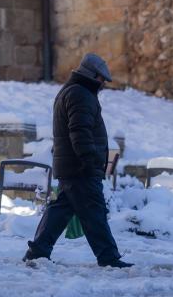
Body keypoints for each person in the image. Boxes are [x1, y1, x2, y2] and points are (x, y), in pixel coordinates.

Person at [24, 53, 133, 268]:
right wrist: (90, 159)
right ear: (92, 75)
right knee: (94, 212)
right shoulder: (80, 95)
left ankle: (37, 251)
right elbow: (80, 132)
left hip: (72, 166)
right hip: (80, 166)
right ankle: (108, 258)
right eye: (101, 79)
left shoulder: (73, 91)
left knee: (61, 210)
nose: (103, 84)